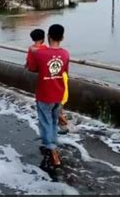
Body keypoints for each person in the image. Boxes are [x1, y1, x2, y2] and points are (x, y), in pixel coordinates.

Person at [27, 24, 70, 168]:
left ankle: (52, 150)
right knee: (53, 121)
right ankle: (53, 145)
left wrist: (33, 51)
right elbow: (63, 72)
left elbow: (32, 68)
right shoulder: (65, 54)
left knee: (46, 123)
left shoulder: (39, 53)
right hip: (59, 93)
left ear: (48, 37)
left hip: (44, 94)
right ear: (62, 38)